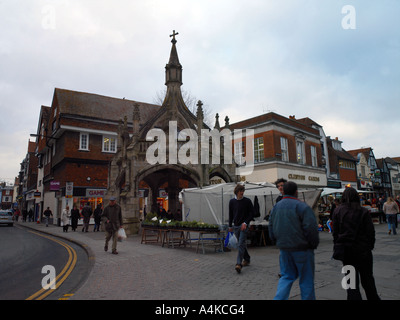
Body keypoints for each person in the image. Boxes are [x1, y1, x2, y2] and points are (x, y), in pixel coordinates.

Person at [269, 181, 319, 300]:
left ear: (284, 191)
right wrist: (312, 244)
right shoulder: (302, 206)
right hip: (302, 249)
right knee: (306, 280)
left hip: (284, 248)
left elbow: (271, 225)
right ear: (296, 192)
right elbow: (311, 227)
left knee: (286, 277)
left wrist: (275, 241)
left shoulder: (276, 207)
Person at [332, 187, 380, 300]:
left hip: (346, 252)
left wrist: (337, 245)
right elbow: (370, 232)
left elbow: (335, 233)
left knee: (351, 283)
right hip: (363, 250)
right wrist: (369, 246)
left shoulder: (338, 211)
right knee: (368, 281)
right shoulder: (363, 211)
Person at [228, 184, 254, 274]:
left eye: (243, 191)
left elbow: (251, 214)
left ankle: (238, 264)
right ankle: (247, 259)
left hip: (244, 226)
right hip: (235, 226)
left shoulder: (247, 201)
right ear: (236, 192)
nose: (242, 193)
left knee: (241, 243)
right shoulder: (232, 202)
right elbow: (230, 214)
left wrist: (245, 222)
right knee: (241, 244)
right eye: (240, 191)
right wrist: (230, 226)